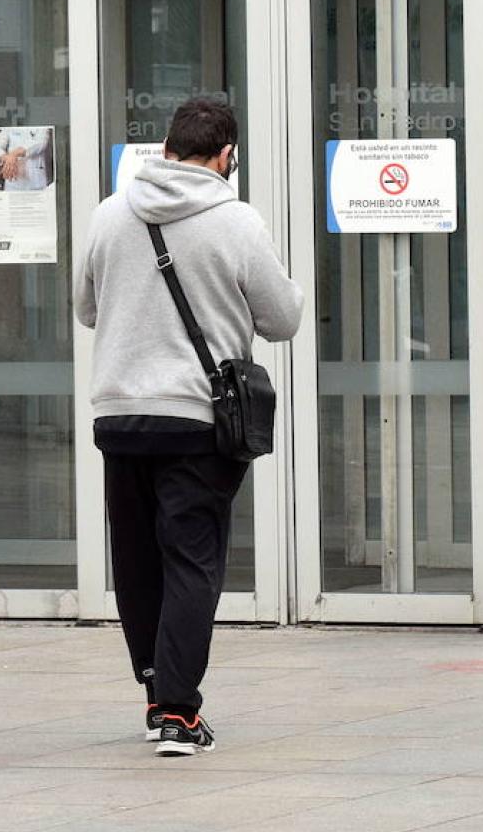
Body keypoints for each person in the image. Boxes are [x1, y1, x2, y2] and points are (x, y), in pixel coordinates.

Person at [74, 96, 303, 757]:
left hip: (120, 417)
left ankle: (155, 695)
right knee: (191, 562)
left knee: (139, 563)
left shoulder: (111, 214)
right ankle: (179, 712)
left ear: (166, 147)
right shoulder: (237, 221)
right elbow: (282, 320)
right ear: (225, 155)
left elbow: (85, 307)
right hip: (198, 422)